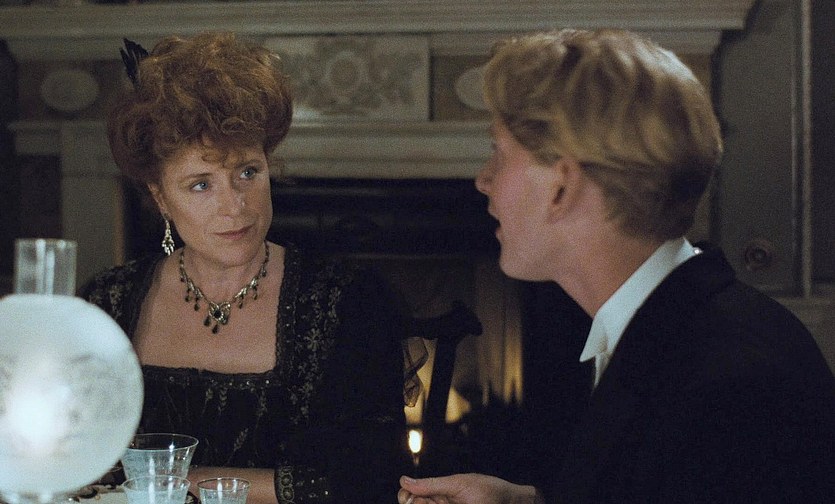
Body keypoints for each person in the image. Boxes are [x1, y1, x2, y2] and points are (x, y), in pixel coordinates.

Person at [398, 28, 835, 504]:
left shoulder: (731, 388)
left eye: (498, 153)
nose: (483, 181)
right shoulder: (672, 331)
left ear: (562, 187)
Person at [80, 32, 411, 504]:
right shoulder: (105, 303)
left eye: (248, 172)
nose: (235, 206)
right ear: (160, 198)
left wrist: (177, 482)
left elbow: (372, 479)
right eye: (201, 185)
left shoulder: (346, 300)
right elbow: (72, 459)